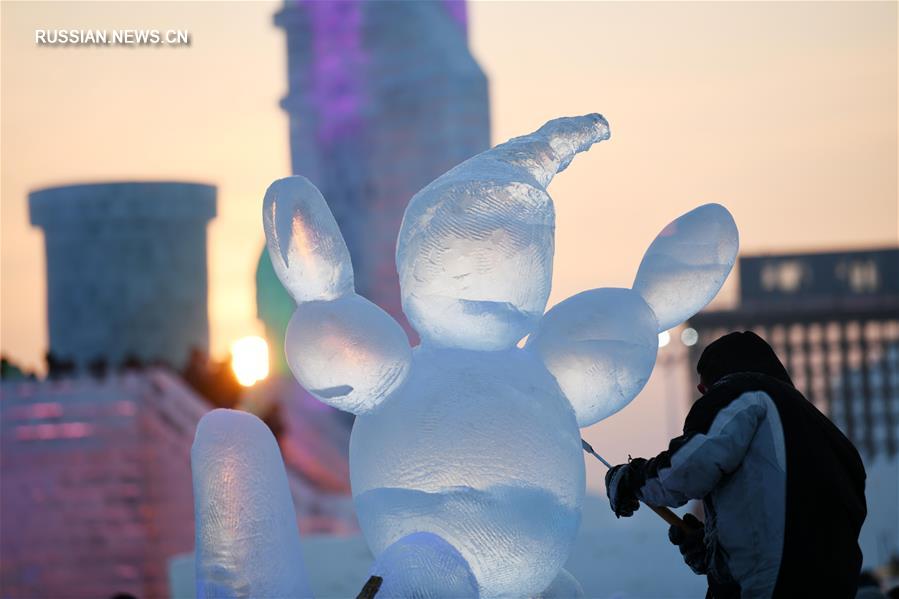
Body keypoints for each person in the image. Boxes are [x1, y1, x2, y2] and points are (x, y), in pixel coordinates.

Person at [605, 331, 867, 598]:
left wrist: (632, 480)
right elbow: (790, 517)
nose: (703, 395)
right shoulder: (832, 440)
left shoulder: (742, 393)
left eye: (704, 390)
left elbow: (688, 469)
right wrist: (716, 554)